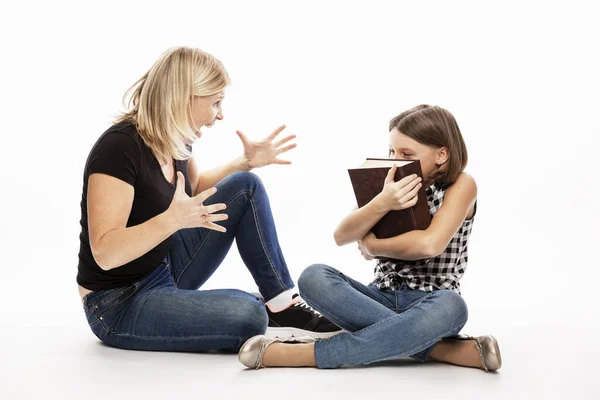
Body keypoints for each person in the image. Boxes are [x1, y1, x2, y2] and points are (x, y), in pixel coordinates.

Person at [77, 46, 341, 352]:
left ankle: (282, 304)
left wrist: (245, 162)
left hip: (164, 267)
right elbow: (106, 253)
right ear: (184, 96)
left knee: (245, 185)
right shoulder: (119, 147)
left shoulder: (176, 139)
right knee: (249, 316)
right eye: (215, 102)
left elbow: (194, 188)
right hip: (118, 302)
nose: (220, 115)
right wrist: (172, 220)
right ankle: (254, 306)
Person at [238, 105, 502, 371]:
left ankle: (305, 355)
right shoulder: (388, 183)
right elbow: (342, 235)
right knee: (313, 276)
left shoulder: (462, 184)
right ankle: (440, 349)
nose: (396, 160)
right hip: (377, 297)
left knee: (454, 305)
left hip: (431, 303)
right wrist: (383, 201)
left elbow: (429, 244)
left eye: (407, 154)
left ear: (441, 154)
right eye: (392, 151)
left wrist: (373, 246)